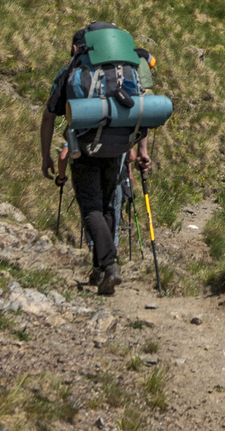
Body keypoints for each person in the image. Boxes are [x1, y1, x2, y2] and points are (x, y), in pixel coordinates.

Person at [40, 23, 154, 296]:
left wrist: (46, 156)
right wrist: (142, 151)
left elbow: (48, 117)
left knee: (90, 208)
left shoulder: (71, 70)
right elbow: (139, 111)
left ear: (77, 48)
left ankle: (110, 264)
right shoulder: (126, 70)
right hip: (119, 149)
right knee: (106, 206)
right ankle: (100, 269)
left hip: (87, 148)